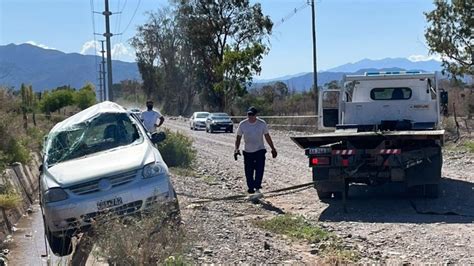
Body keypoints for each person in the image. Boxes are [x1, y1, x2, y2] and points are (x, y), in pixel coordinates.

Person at [234, 106, 277, 195]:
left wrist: (273, 148)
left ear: (256, 115)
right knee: (248, 171)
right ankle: (250, 188)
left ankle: (257, 187)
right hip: (248, 151)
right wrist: (236, 149)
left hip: (259, 150)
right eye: (249, 114)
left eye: (252, 115)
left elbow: (267, 136)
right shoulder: (243, 124)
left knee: (259, 170)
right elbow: (238, 137)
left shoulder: (262, 124)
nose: (250, 116)